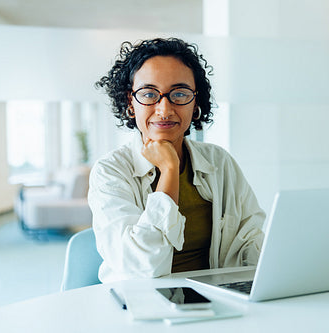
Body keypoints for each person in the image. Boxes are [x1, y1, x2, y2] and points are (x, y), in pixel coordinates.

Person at [89, 37, 265, 283]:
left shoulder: (220, 162)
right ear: (131, 103)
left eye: (179, 94)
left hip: (215, 301)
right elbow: (142, 265)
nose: (164, 109)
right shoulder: (110, 171)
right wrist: (170, 171)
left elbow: (251, 242)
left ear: (195, 104)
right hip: (142, 302)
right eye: (149, 93)